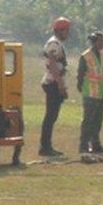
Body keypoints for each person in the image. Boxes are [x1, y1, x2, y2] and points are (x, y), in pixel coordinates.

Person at [39, 17, 71, 157]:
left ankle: (46, 146)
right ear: (60, 30)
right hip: (52, 83)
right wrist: (61, 84)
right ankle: (45, 147)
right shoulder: (53, 44)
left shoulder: (56, 43)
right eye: (66, 30)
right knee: (50, 116)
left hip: (54, 82)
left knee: (52, 116)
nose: (68, 33)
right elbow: (52, 65)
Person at [77, 31, 103, 154]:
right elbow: (80, 75)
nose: (102, 43)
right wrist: (81, 87)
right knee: (88, 121)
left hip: (100, 92)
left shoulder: (102, 54)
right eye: (100, 41)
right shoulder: (85, 56)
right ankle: (84, 146)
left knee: (98, 120)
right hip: (90, 92)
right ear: (94, 42)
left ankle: (96, 144)